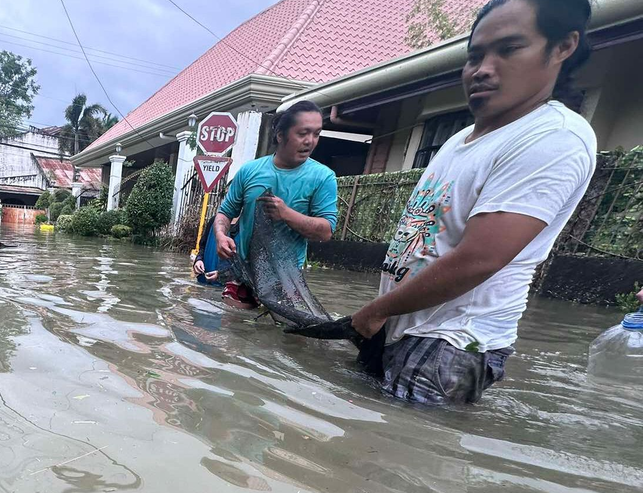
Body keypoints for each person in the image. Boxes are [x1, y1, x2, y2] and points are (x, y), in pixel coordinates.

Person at [348, 0, 596, 404]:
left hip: (451, 344)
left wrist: (376, 310)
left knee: (398, 461)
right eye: (475, 56)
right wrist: (384, 314)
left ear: (563, 47)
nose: (482, 68)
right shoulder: (460, 140)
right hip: (403, 327)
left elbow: (478, 259)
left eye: (509, 49)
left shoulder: (554, 138)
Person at [210, 100, 338, 307]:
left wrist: (287, 214)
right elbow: (225, 212)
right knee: (231, 332)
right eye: (303, 133)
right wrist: (220, 237)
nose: (310, 141)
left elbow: (326, 232)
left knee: (282, 337)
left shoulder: (323, 177)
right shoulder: (249, 171)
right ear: (281, 136)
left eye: (316, 134)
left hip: (286, 278)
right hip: (243, 272)